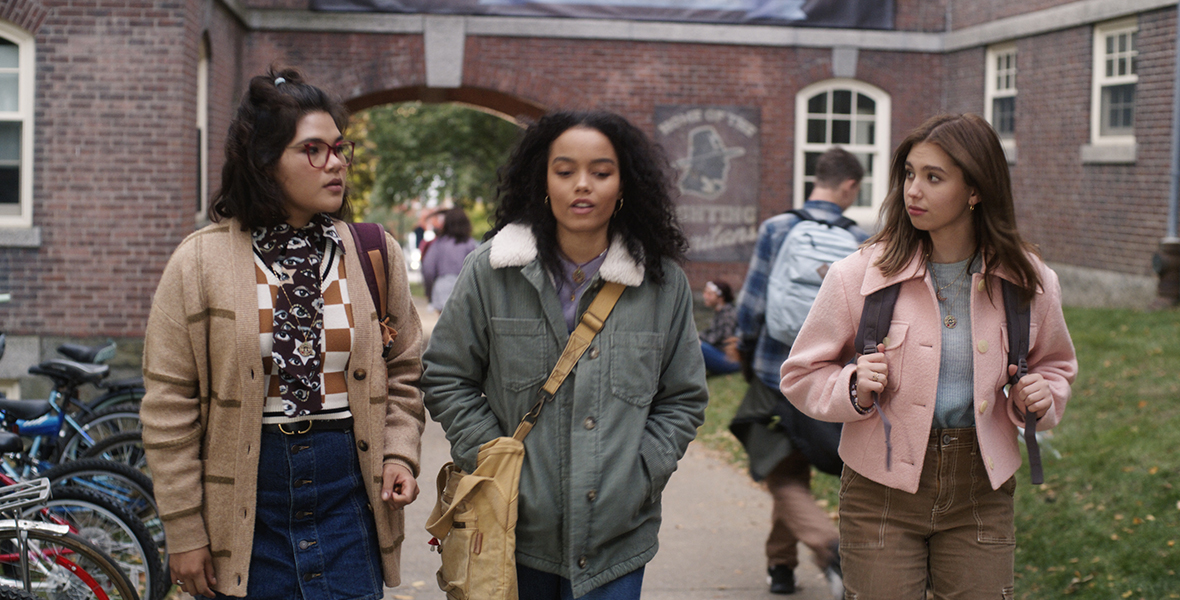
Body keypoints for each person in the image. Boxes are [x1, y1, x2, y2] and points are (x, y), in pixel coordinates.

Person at [140, 67, 425, 600]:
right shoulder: (199, 262)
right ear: (265, 162)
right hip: (246, 501)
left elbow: (405, 368)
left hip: (349, 493)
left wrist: (398, 453)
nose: (336, 163)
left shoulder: (370, 253)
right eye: (313, 150)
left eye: (340, 148)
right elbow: (169, 405)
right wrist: (184, 529)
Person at [781, 114, 1078, 599]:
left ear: (976, 190)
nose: (912, 191)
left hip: (982, 487)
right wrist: (852, 388)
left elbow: (1056, 366)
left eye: (933, 178)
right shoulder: (857, 274)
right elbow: (801, 374)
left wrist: (1042, 395)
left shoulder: (1030, 282)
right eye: (909, 174)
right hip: (880, 487)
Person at [420, 110, 708, 600]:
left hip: (615, 542)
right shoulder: (490, 273)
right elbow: (446, 376)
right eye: (565, 170)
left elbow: (682, 397)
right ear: (542, 179)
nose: (583, 186)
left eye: (600, 172)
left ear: (624, 185)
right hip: (512, 534)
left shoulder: (661, 284)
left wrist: (638, 477)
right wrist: (493, 463)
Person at [730, 146, 867, 595]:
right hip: (828, 379)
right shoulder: (857, 238)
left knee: (783, 472)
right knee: (791, 469)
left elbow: (751, 303)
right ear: (849, 186)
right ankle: (781, 567)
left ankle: (829, 548)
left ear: (818, 177)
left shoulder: (778, 227)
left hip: (775, 371)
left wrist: (748, 354)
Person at [421, 206, 478, 312]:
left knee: (444, 325)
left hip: (442, 288)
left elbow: (428, 269)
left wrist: (429, 292)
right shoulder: (470, 244)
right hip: (464, 289)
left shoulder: (439, 243)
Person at [699, 280, 740, 375]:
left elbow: (723, 339)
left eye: (709, 294)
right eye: (705, 293)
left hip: (730, 360)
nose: (705, 296)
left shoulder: (728, 314)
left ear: (721, 297)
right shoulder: (721, 312)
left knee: (697, 345)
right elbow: (711, 332)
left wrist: (698, 338)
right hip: (722, 355)